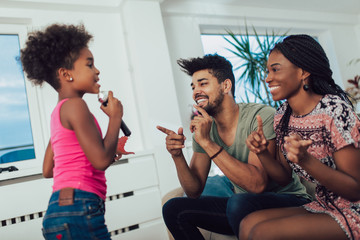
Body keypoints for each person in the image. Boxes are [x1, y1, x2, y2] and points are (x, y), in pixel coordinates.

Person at [157, 54, 311, 239]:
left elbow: (257, 185)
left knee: (238, 203)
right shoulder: (206, 128)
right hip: (242, 209)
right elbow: (193, 190)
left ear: (226, 86)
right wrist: (177, 156)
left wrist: (208, 143)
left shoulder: (261, 116)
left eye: (203, 84)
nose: (195, 91)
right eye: (193, 86)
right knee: (173, 208)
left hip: (289, 202)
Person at [241, 34, 360, 240]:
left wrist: (306, 160)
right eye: (267, 71)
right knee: (248, 222)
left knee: (262, 233)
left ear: (303, 72)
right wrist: (262, 153)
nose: (268, 78)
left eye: (275, 70)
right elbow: (283, 177)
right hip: (324, 204)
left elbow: (355, 190)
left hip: (354, 208)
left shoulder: (334, 110)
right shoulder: (282, 116)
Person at [20, 24, 126, 239]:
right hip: (80, 206)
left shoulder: (58, 113)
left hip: (58, 210)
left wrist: (107, 148)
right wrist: (116, 118)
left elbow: (48, 170)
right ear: (66, 74)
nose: (97, 71)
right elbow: (100, 161)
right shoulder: (76, 106)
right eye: (89, 65)